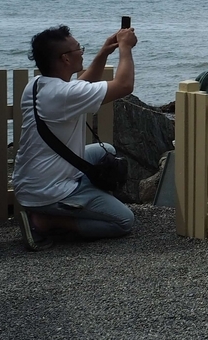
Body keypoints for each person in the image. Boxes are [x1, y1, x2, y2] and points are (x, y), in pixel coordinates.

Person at [14, 24, 138, 250]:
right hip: (49, 191)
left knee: (105, 151)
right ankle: (45, 221)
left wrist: (103, 52)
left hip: (32, 181)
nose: (82, 51)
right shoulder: (62, 95)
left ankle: (86, 203)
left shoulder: (37, 85)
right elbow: (124, 85)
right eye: (78, 49)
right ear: (65, 59)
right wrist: (125, 48)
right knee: (124, 221)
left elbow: (83, 85)